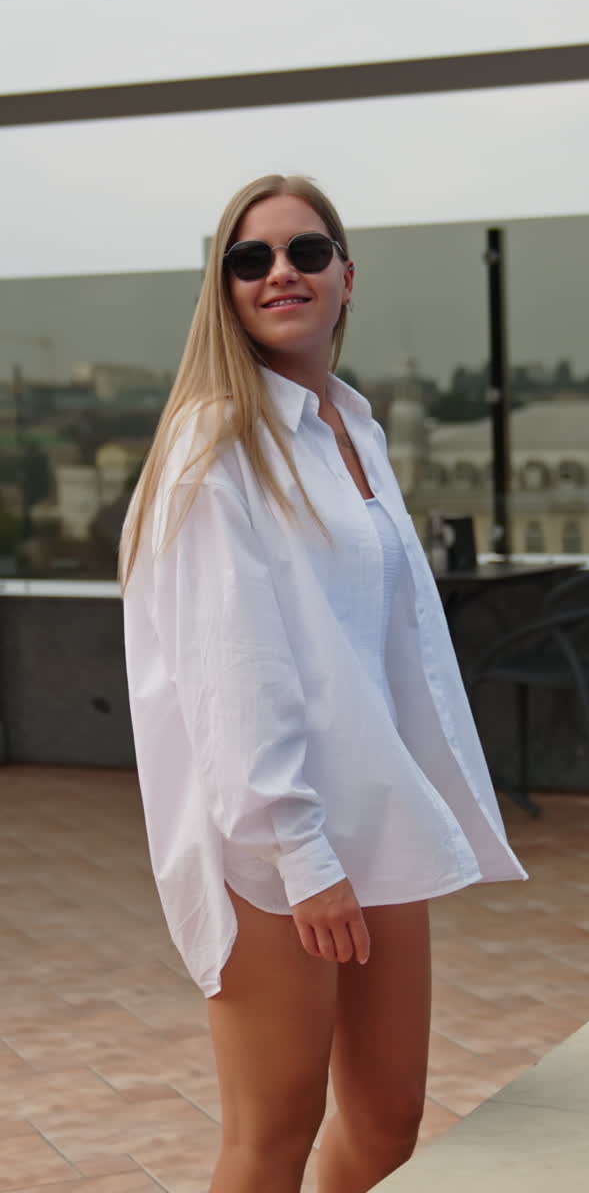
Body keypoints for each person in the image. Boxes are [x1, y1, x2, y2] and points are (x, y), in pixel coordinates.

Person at [120, 174, 527, 1193]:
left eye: (306, 251)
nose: (281, 273)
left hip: (375, 812)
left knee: (388, 1119)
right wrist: (299, 847)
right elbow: (233, 670)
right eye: (250, 258)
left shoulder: (351, 424)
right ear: (223, 288)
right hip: (274, 836)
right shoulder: (216, 446)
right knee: (272, 1134)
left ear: (347, 274)